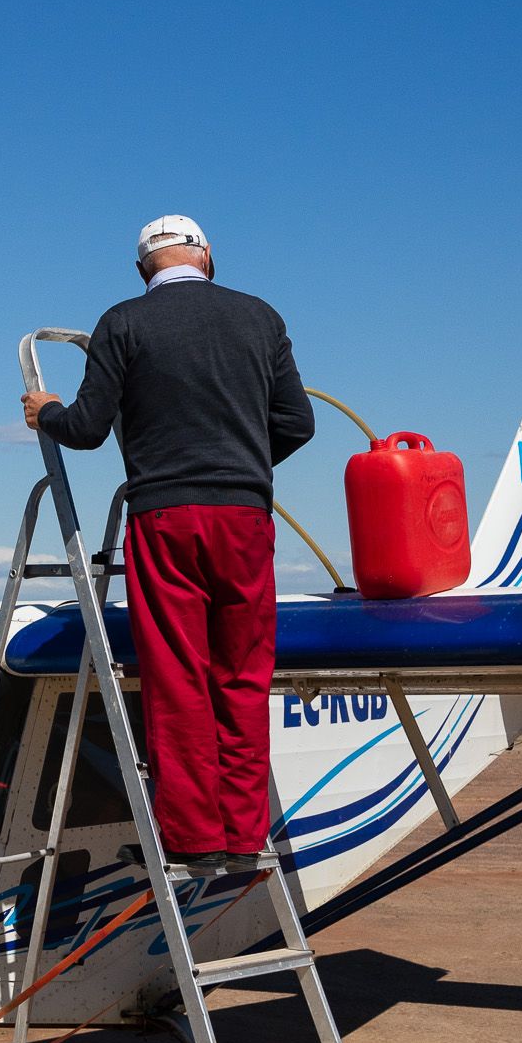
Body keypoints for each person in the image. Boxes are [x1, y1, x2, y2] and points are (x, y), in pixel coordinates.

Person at [21, 214, 314, 875]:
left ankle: (194, 838)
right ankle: (243, 835)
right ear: (208, 256)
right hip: (244, 515)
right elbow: (298, 422)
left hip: (166, 516)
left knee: (178, 674)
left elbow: (90, 429)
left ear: (141, 270)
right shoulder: (260, 317)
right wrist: (237, 461)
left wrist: (48, 413)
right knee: (242, 672)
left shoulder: (124, 323)